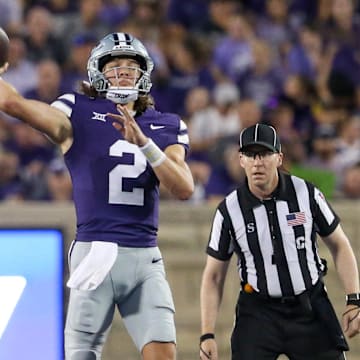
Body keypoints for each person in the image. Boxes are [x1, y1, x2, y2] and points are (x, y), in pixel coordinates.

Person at [0, 32, 194, 360]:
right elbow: (13, 104)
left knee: (164, 355)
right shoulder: (77, 110)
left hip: (146, 256)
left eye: (130, 66)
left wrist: (145, 144)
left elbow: (184, 188)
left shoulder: (166, 124)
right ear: (96, 73)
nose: (122, 72)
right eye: (114, 65)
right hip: (96, 252)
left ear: (144, 73)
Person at [199, 123, 360, 360]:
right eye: (250, 155)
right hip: (258, 311)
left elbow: (340, 244)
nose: (257, 162)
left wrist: (354, 298)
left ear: (279, 158)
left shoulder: (306, 194)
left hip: (309, 306)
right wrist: (207, 333)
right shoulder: (229, 210)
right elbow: (213, 275)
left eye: (264, 154)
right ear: (241, 159)